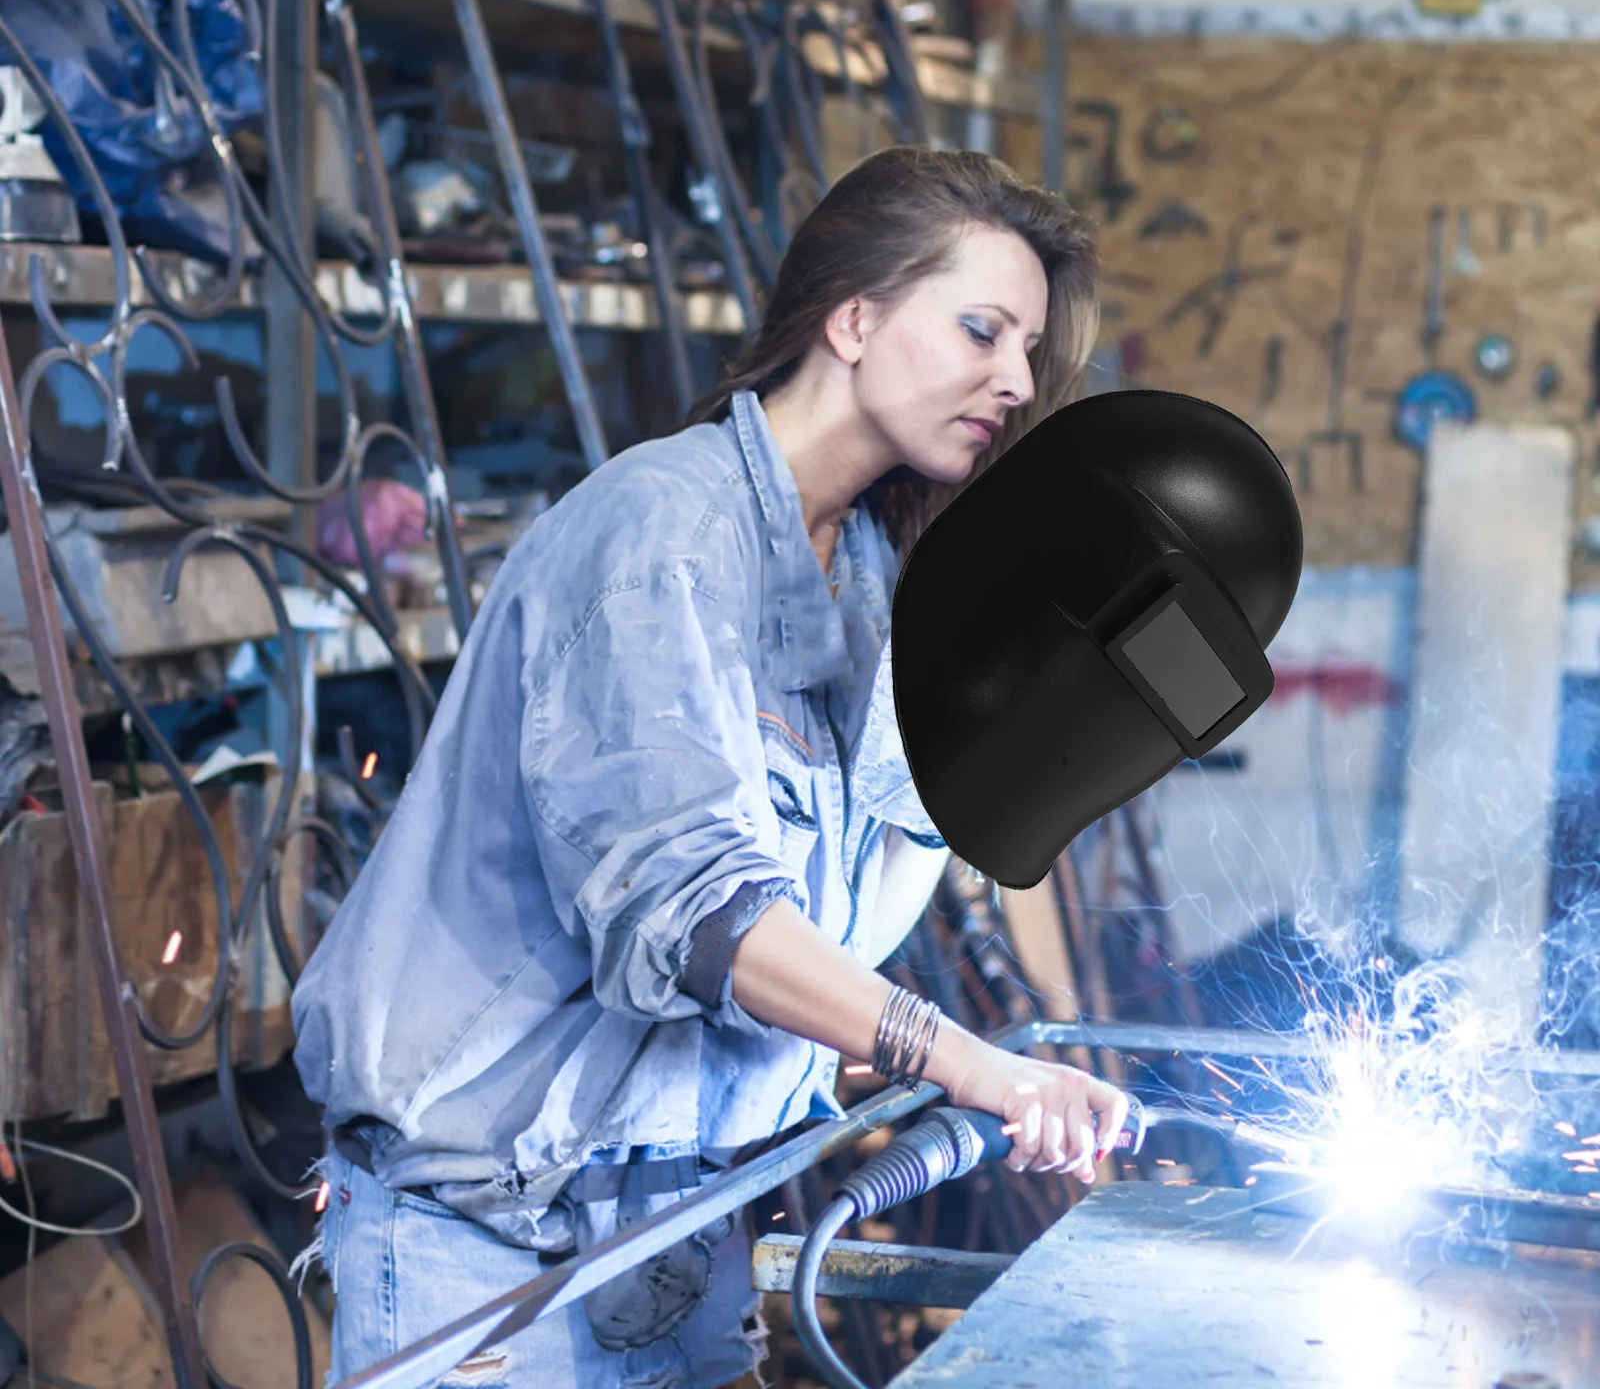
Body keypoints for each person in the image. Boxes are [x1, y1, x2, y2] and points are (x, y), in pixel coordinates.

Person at [290, 145, 1126, 1389]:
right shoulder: (660, 531)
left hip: (681, 1222)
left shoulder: (871, 580)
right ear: (853, 317)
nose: (1012, 378)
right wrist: (964, 1061)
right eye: (980, 329)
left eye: (1024, 347)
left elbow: (843, 917)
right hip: (489, 1240)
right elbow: (698, 914)